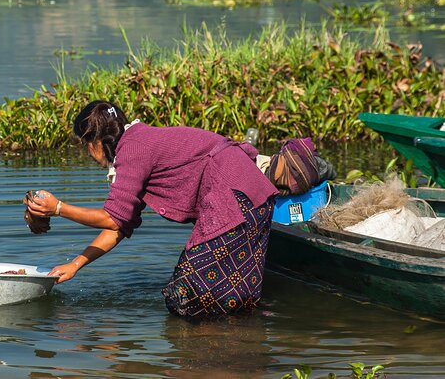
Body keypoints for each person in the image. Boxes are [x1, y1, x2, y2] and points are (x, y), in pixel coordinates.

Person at [24, 100, 278, 319]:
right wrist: (75, 265)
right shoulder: (136, 144)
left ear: (96, 141)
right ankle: (244, 340)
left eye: (86, 144)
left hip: (235, 200)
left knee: (187, 295)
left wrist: (58, 208)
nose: (88, 153)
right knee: (222, 296)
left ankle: (216, 350)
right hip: (249, 197)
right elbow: (119, 226)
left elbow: (111, 218)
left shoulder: (134, 149)